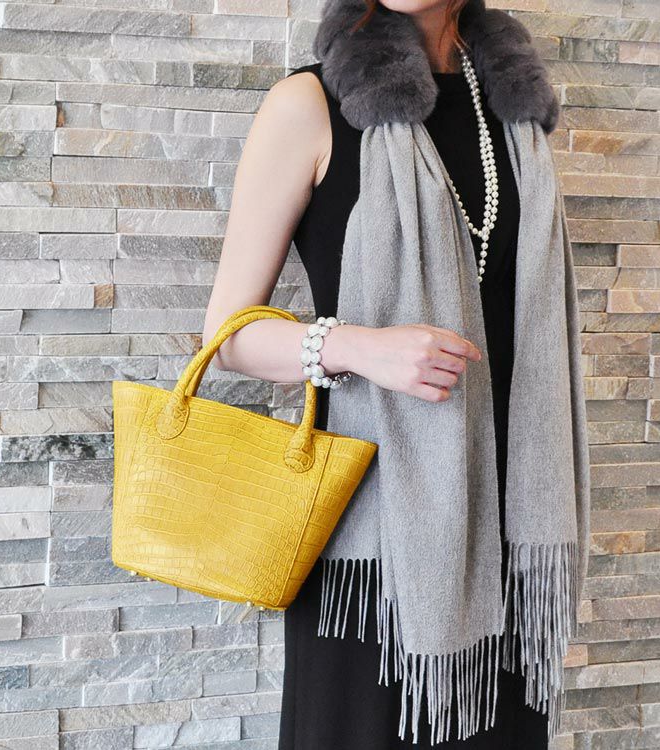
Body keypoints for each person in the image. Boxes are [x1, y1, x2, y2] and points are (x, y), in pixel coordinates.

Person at [202, 1, 585, 748]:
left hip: (511, 535)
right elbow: (228, 338)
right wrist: (356, 347)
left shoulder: (514, 112)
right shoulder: (307, 105)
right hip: (371, 547)